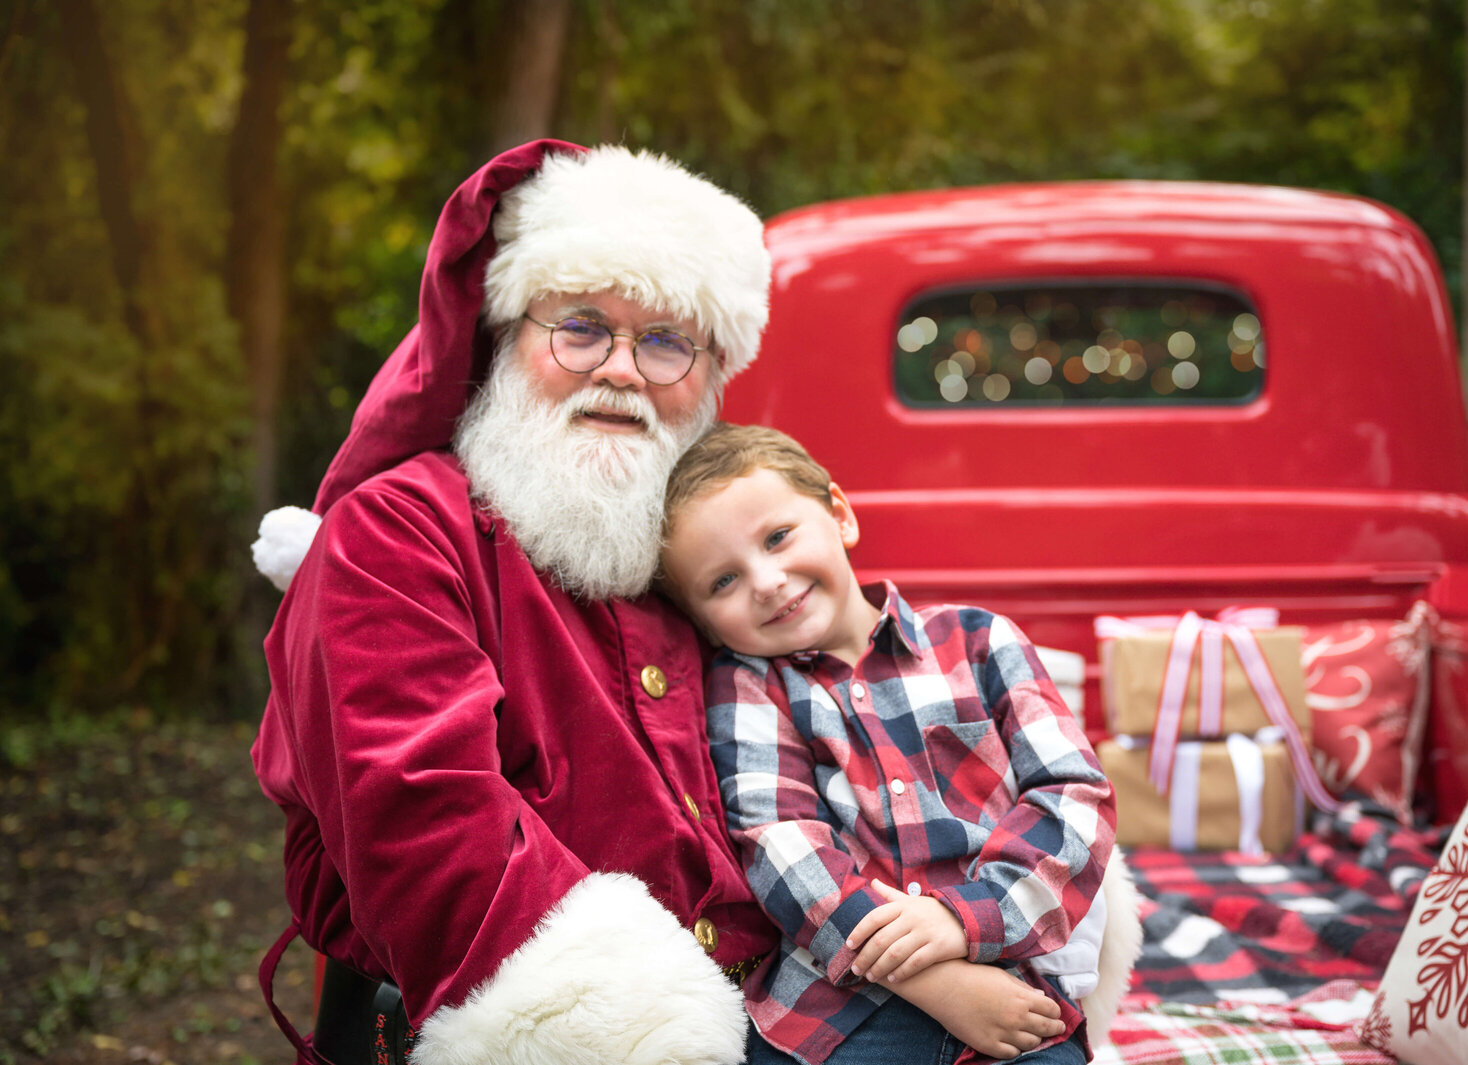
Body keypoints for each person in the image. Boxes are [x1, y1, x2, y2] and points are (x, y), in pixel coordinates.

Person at [249, 142, 782, 1065]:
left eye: (666, 341)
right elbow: (433, 838)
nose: (620, 368)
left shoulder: (713, 550)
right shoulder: (396, 534)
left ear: (710, 377)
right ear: (507, 338)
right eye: (580, 326)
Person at [656, 423, 1141, 1065]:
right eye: (723, 581)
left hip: (1010, 989)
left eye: (778, 538)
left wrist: (964, 919)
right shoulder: (748, 686)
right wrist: (931, 979)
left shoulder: (980, 641)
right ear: (698, 617)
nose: (767, 581)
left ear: (841, 516)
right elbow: (781, 844)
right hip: (839, 1009)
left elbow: (1074, 795)